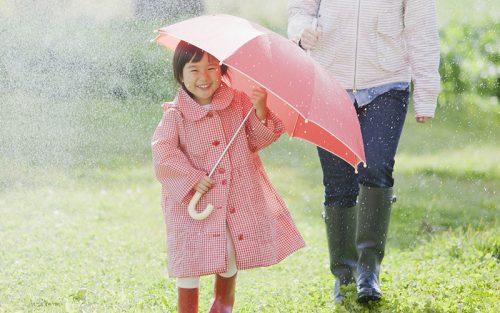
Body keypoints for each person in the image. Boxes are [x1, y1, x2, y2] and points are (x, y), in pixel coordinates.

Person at [288, 0, 440, 304]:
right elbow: (299, 10)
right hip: (329, 81)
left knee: (376, 167)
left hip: (387, 83)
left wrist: (426, 92)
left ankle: (368, 269)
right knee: (339, 182)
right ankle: (344, 274)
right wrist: (301, 31)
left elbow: (421, 29)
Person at [151, 41, 305, 313]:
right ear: (180, 74)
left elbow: (256, 140)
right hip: (192, 204)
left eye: (211, 68)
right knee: (190, 258)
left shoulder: (238, 102)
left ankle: (223, 303)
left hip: (233, 196)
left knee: (231, 249)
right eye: (194, 69)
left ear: (221, 70)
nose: (204, 77)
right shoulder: (175, 115)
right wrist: (190, 177)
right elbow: (163, 154)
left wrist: (259, 109)